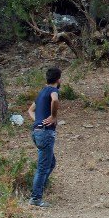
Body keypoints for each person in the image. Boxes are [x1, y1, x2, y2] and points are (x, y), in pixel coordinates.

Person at [26, 67, 62, 207]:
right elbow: (55, 101)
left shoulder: (41, 92)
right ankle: (35, 197)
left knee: (50, 163)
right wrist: (53, 116)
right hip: (46, 133)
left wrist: (38, 121)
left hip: (36, 132)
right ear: (58, 79)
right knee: (43, 167)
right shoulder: (54, 91)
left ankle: (39, 188)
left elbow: (30, 110)